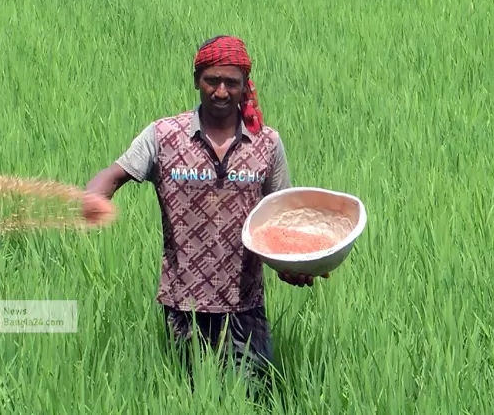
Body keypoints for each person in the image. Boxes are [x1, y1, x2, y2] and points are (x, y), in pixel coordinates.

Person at [82, 35, 328, 394]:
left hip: (245, 306)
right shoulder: (164, 135)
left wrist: (293, 266)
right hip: (184, 307)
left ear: (246, 86)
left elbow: (279, 222)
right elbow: (113, 175)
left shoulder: (267, 144)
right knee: (188, 396)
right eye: (213, 80)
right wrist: (93, 198)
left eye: (232, 82)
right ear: (197, 79)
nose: (222, 91)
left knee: (251, 397)